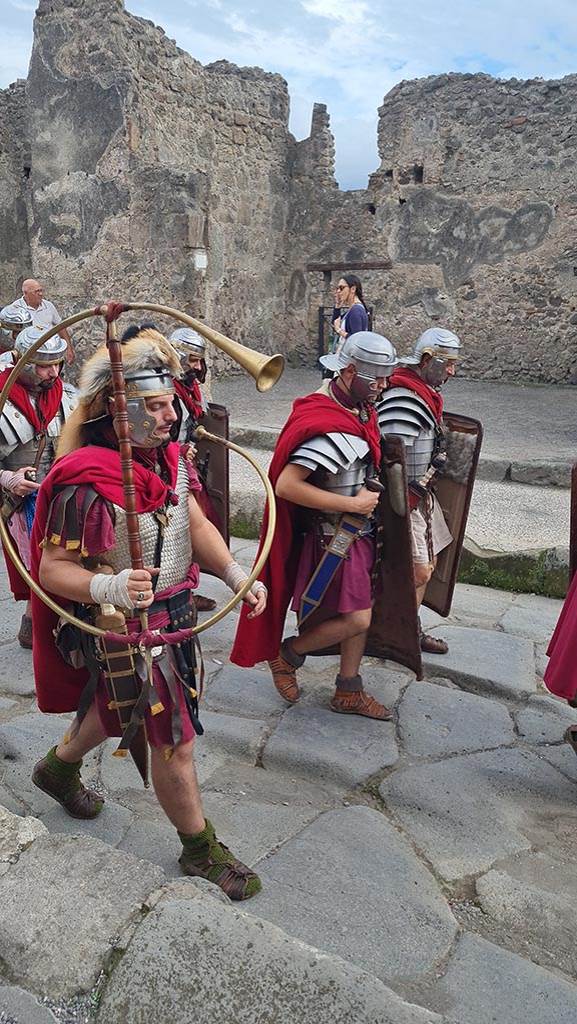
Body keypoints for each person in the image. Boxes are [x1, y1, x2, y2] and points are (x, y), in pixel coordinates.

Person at [29, 325, 267, 899]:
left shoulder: (168, 462)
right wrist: (108, 584)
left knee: (121, 707)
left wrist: (234, 574)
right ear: (120, 410)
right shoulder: (86, 481)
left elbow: (196, 526)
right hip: (123, 626)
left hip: (175, 612)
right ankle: (199, 848)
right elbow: (52, 570)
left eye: (169, 405)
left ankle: (58, 768)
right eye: (156, 407)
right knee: (172, 737)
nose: (169, 416)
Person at [231, 331, 397, 719]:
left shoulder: (359, 408)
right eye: (378, 379)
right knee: (358, 617)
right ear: (351, 371)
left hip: (360, 531)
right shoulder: (322, 417)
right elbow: (286, 485)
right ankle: (289, 654)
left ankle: (348, 689)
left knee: (361, 611)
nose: (385, 386)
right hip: (333, 537)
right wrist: (351, 502)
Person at [376, 327, 461, 654]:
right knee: (419, 569)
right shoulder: (404, 397)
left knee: (432, 560)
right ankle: (392, 633)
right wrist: (400, 505)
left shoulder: (422, 392)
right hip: (404, 501)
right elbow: (390, 458)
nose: (452, 371)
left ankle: (409, 627)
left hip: (420, 494)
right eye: (447, 363)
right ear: (427, 360)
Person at [0, 326, 77, 647]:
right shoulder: (2, 397)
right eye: (44, 365)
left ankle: (64, 620)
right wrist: (9, 478)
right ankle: (35, 622)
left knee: (69, 562)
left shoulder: (69, 396)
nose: (53, 372)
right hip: (21, 501)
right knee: (36, 567)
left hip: (64, 495)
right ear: (23, 361)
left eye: (57, 364)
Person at [8, 280, 74, 364]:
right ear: (26, 293)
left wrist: (69, 348)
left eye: (41, 290)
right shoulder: (15, 309)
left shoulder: (48, 305)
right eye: (36, 291)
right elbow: (9, 334)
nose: (40, 294)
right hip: (28, 356)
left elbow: (60, 327)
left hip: (50, 353)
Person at [332, 274, 369, 342]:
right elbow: (335, 323)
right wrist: (337, 306)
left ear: (353, 289)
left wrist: (339, 331)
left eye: (341, 288)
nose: (338, 291)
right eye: (338, 288)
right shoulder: (353, 309)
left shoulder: (356, 311)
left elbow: (356, 340)